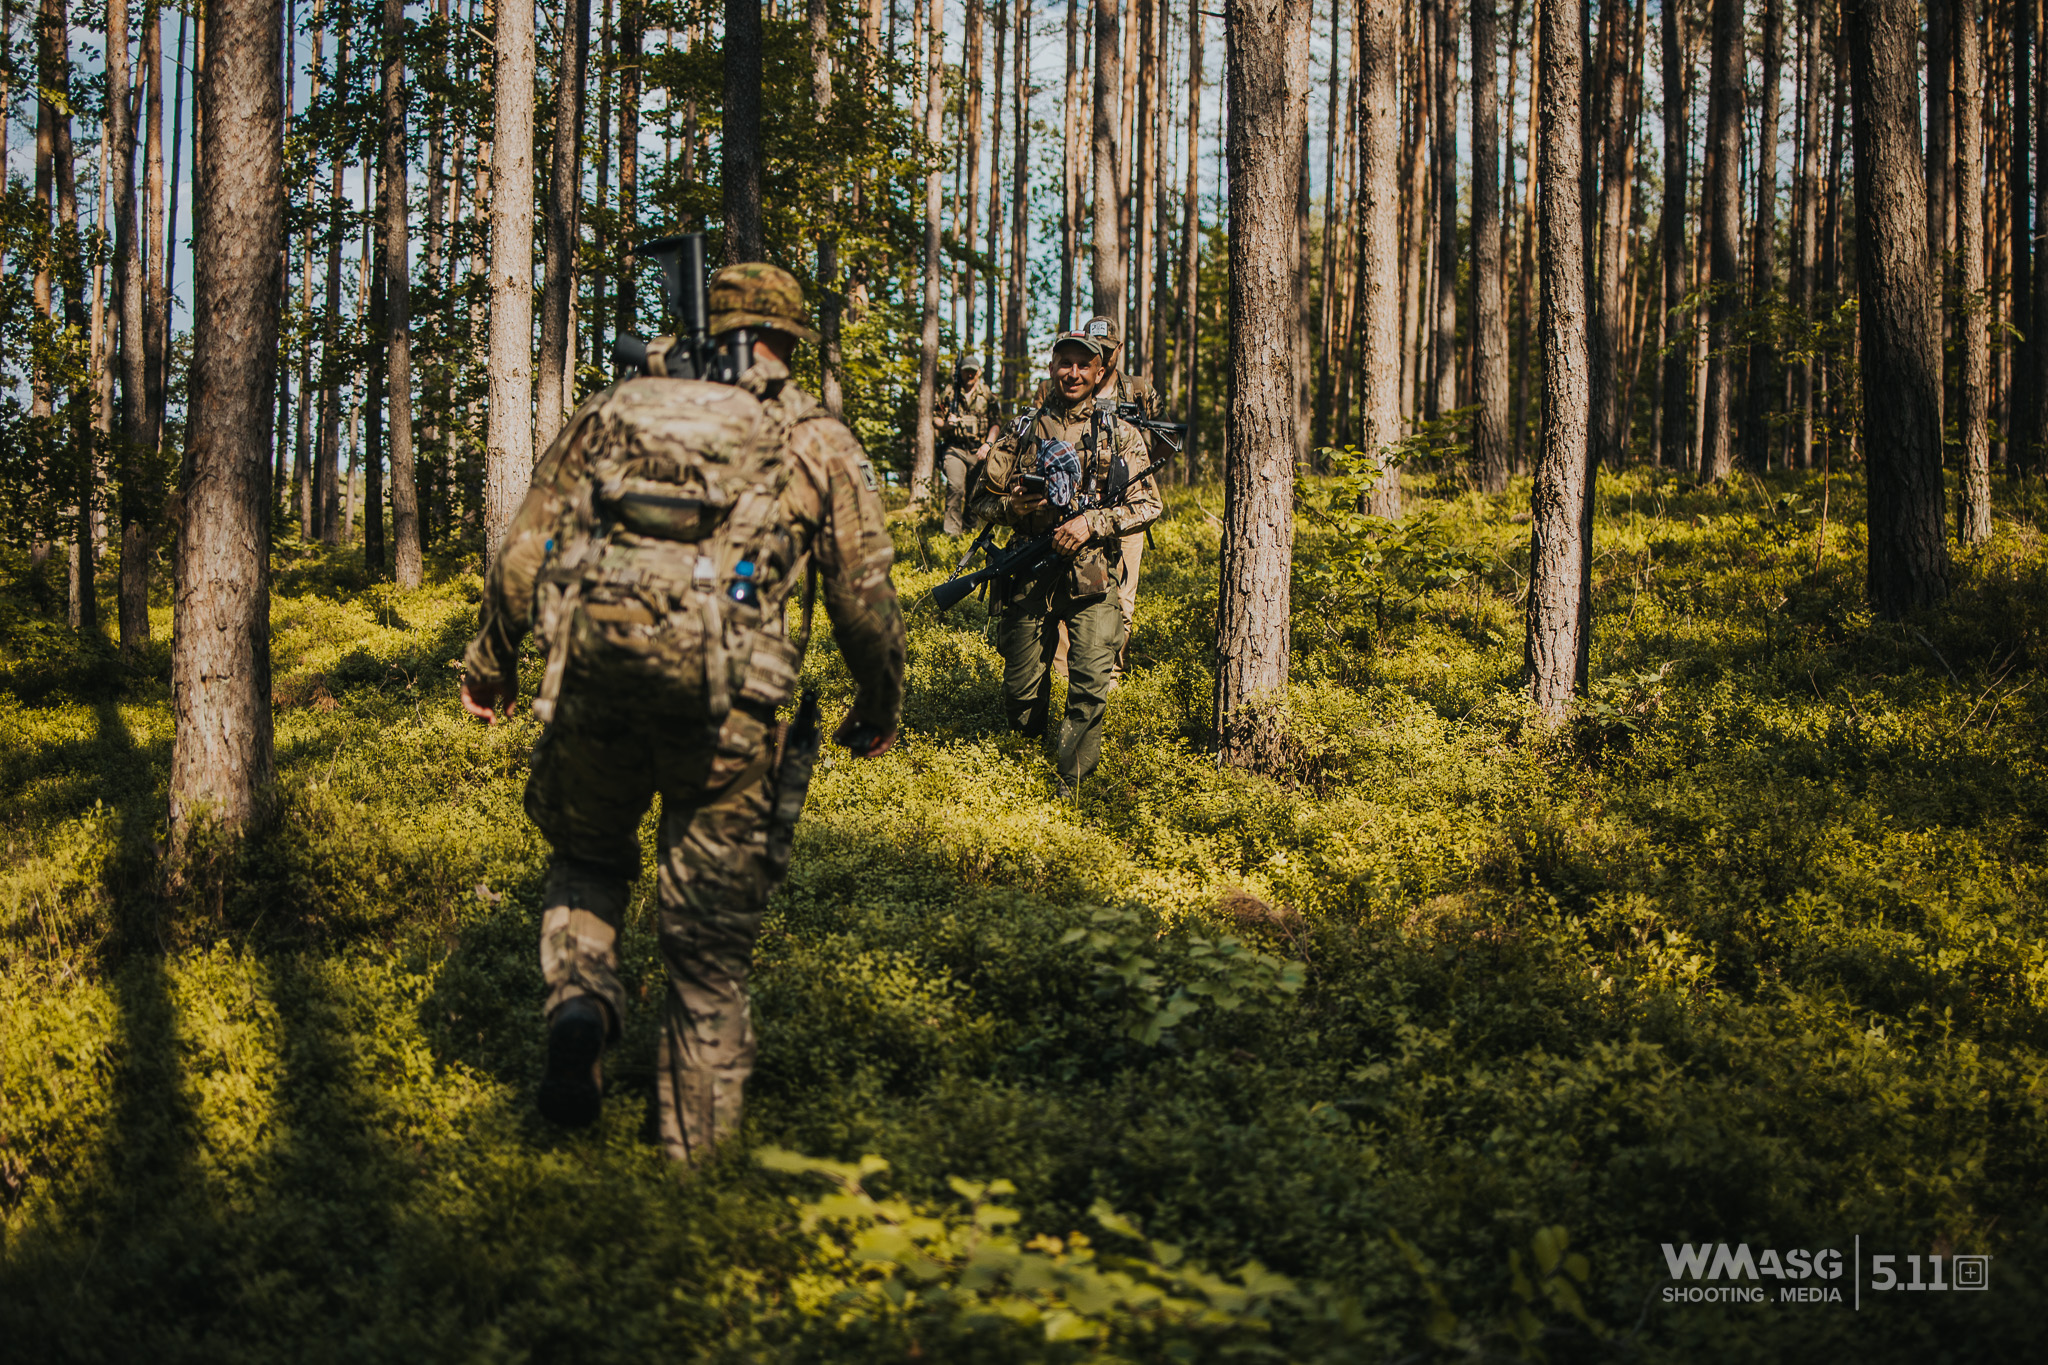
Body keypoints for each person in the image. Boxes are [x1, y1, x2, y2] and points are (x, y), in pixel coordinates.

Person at [458, 263, 906, 1164]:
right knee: (706, 945)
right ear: (784, 340)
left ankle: (579, 1001)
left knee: (587, 859)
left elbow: (523, 553)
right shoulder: (813, 435)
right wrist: (879, 700)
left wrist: (491, 665)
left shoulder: (610, 413)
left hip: (591, 687)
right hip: (728, 715)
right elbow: (861, 592)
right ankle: (691, 1163)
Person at [970, 330, 1160, 794]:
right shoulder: (1023, 430)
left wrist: (1093, 522)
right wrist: (1012, 508)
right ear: (1053, 367)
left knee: (1090, 681)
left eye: (1083, 365)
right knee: (1021, 689)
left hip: (1092, 572)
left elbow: (1148, 504)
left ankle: (1070, 783)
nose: (1073, 373)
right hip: (1029, 570)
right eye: (1065, 363)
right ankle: (1022, 763)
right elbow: (979, 500)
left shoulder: (1119, 432)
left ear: (1099, 371)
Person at [1076, 316, 1166, 677]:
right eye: (1094, 348)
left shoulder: (1138, 391)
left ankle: (1110, 673)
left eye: (1107, 349)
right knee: (1076, 592)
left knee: (1123, 597)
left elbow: (1166, 437)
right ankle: (1071, 674)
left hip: (1126, 510)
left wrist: (1140, 470)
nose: (1102, 355)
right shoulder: (1072, 385)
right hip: (1079, 509)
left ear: (1119, 349)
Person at [936, 358, 994, 535]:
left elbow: (996, 422)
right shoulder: (949, 393)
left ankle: (969, 530)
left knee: (974, 492)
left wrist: (988, 444)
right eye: (966, 370)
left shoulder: (987, 394)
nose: (969, 375)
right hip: (955, 449)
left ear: (979, 372)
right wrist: (947, 424)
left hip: (978, 450)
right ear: (960, 371)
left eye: (973, 371)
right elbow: (936, 419)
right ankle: (952, 533)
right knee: (955, 487)